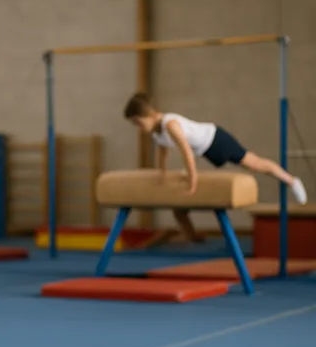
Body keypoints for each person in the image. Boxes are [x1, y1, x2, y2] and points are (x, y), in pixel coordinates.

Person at [124, 92, 308, 241]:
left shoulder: (170, 125)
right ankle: (193, 237)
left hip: (216, 139)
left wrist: (193, 182)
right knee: (179, 207)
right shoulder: (157, 132)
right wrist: (161, 174)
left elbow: (186, 153)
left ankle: (291, 180)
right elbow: (162, 152)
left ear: (150, 114)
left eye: (138, 123)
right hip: (206, 149)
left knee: (254, 163)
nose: (138, 128)